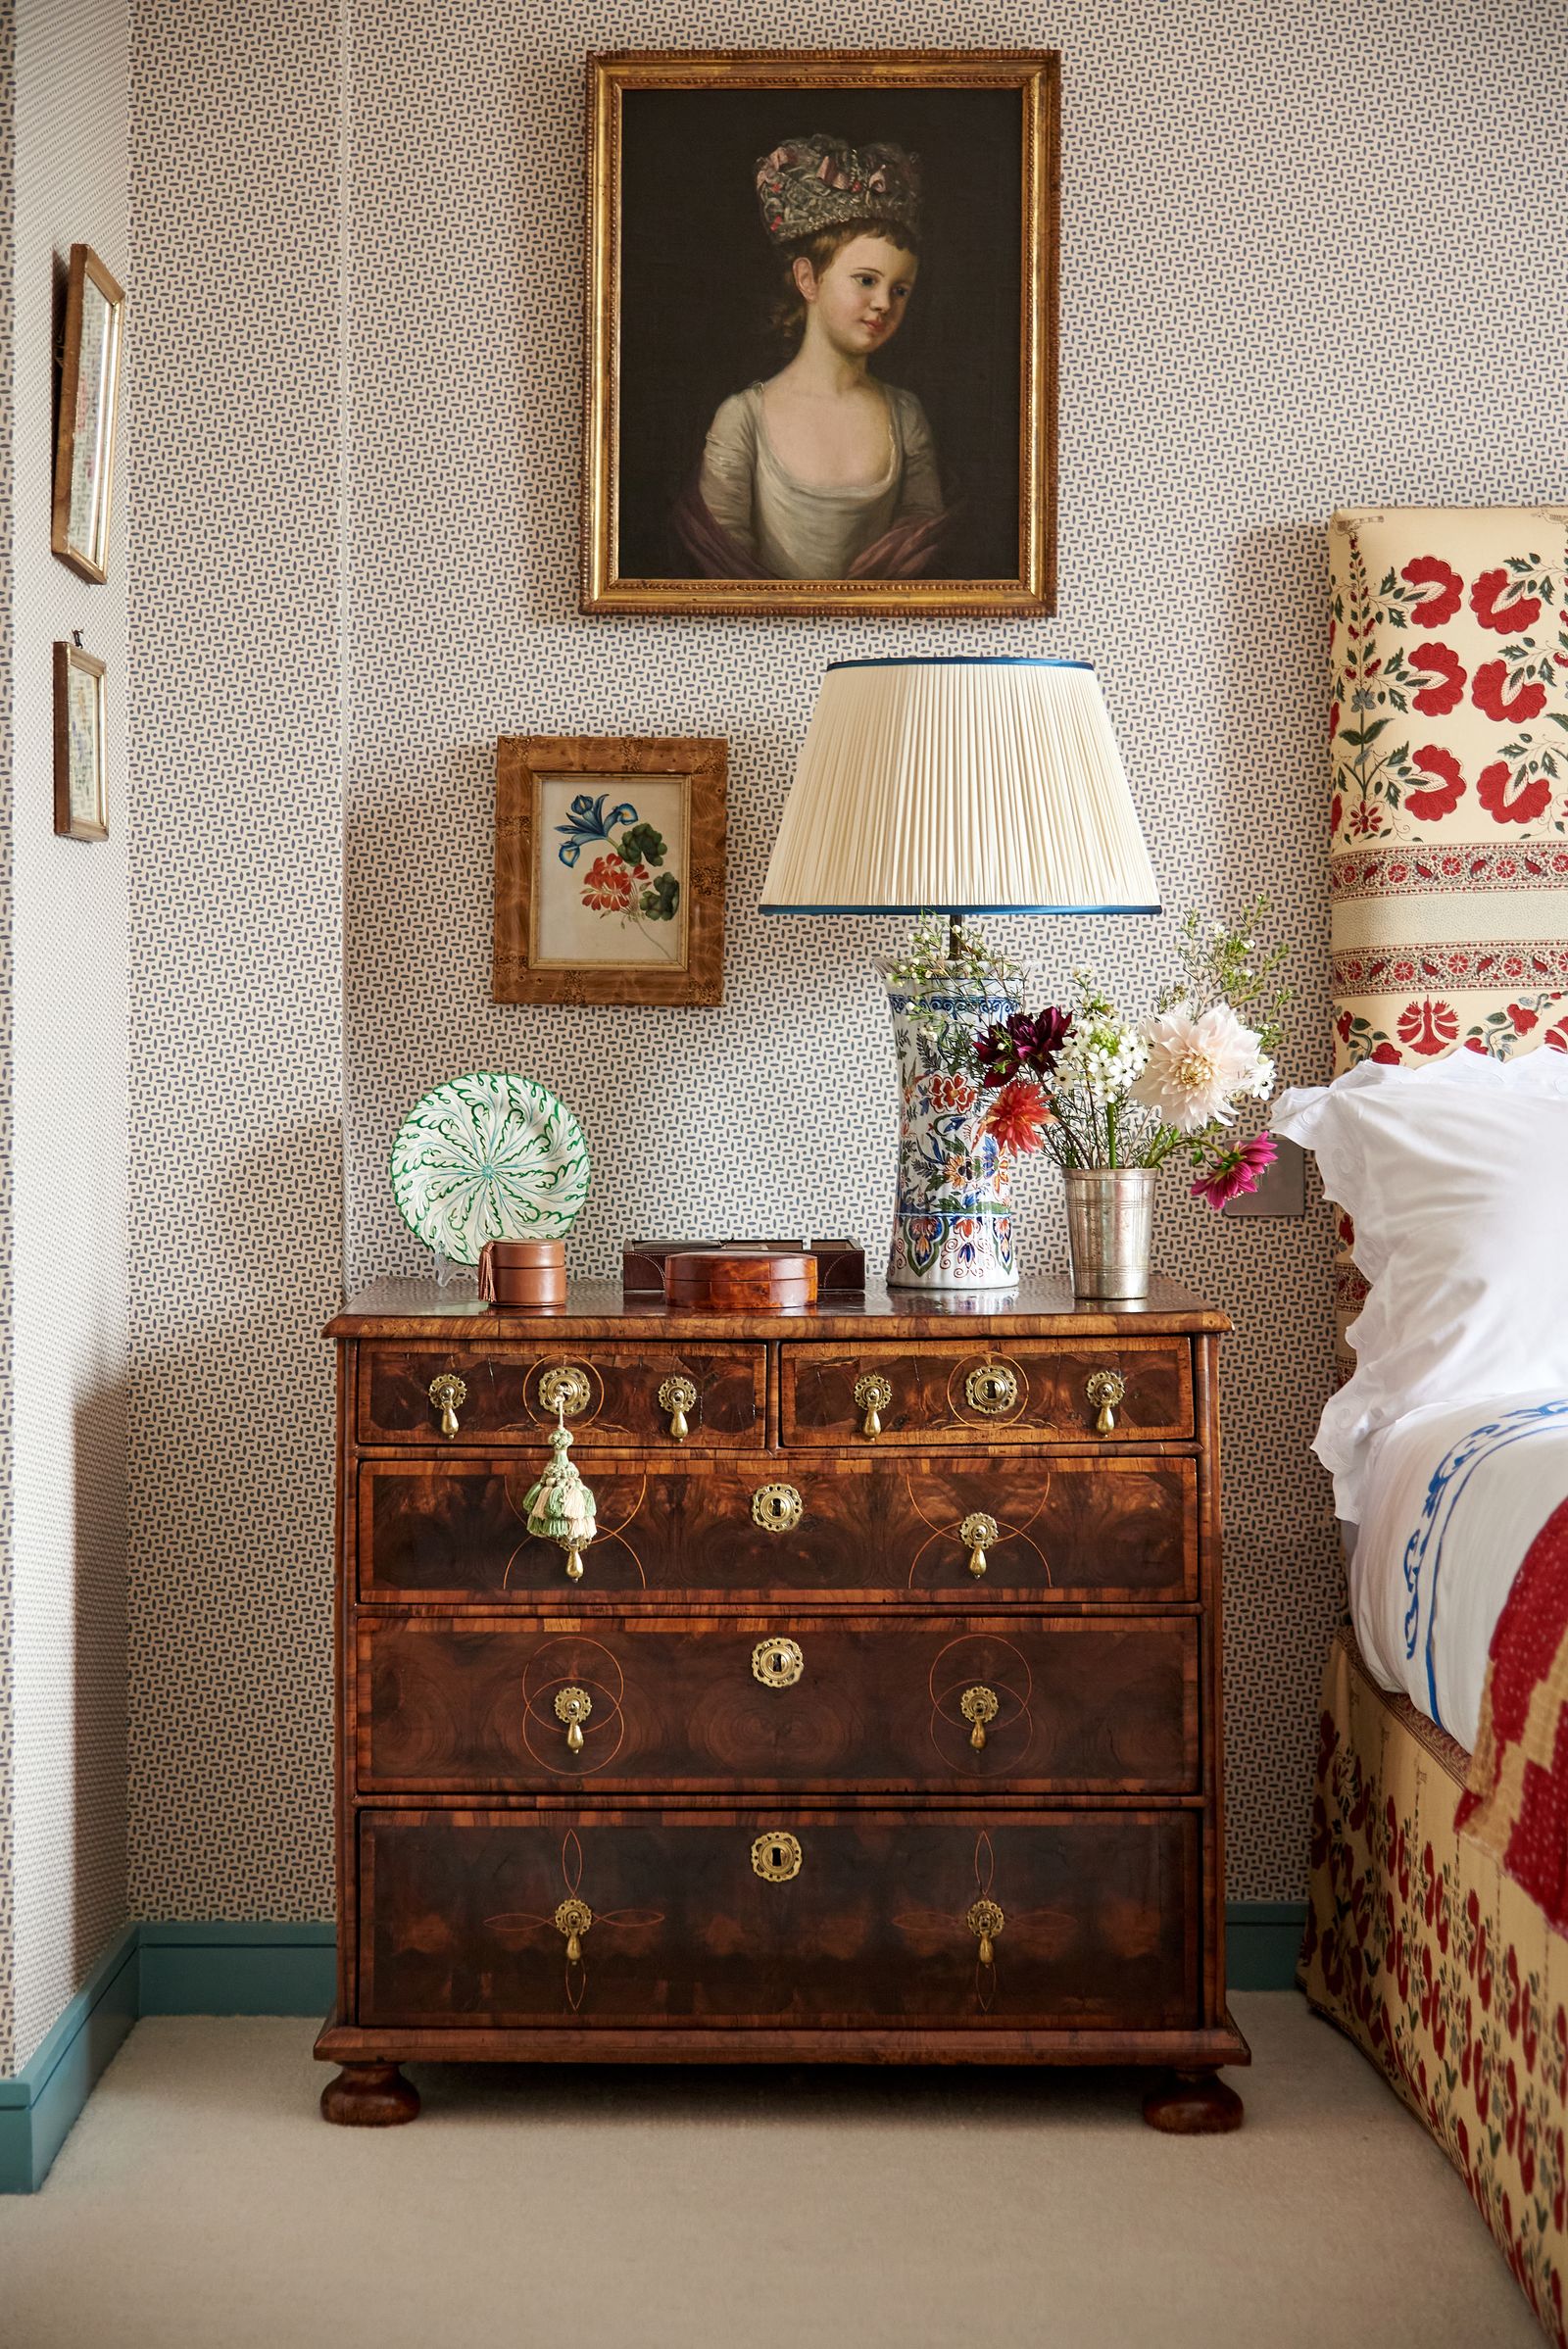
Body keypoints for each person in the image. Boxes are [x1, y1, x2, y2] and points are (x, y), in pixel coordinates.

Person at [673, 135, 948, 581]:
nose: (883, 303)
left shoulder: (905, 414)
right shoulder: (743, 418)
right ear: (808, 279)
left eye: (900, 290)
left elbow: (920, 540)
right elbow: (724, 564)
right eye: (865, 280)